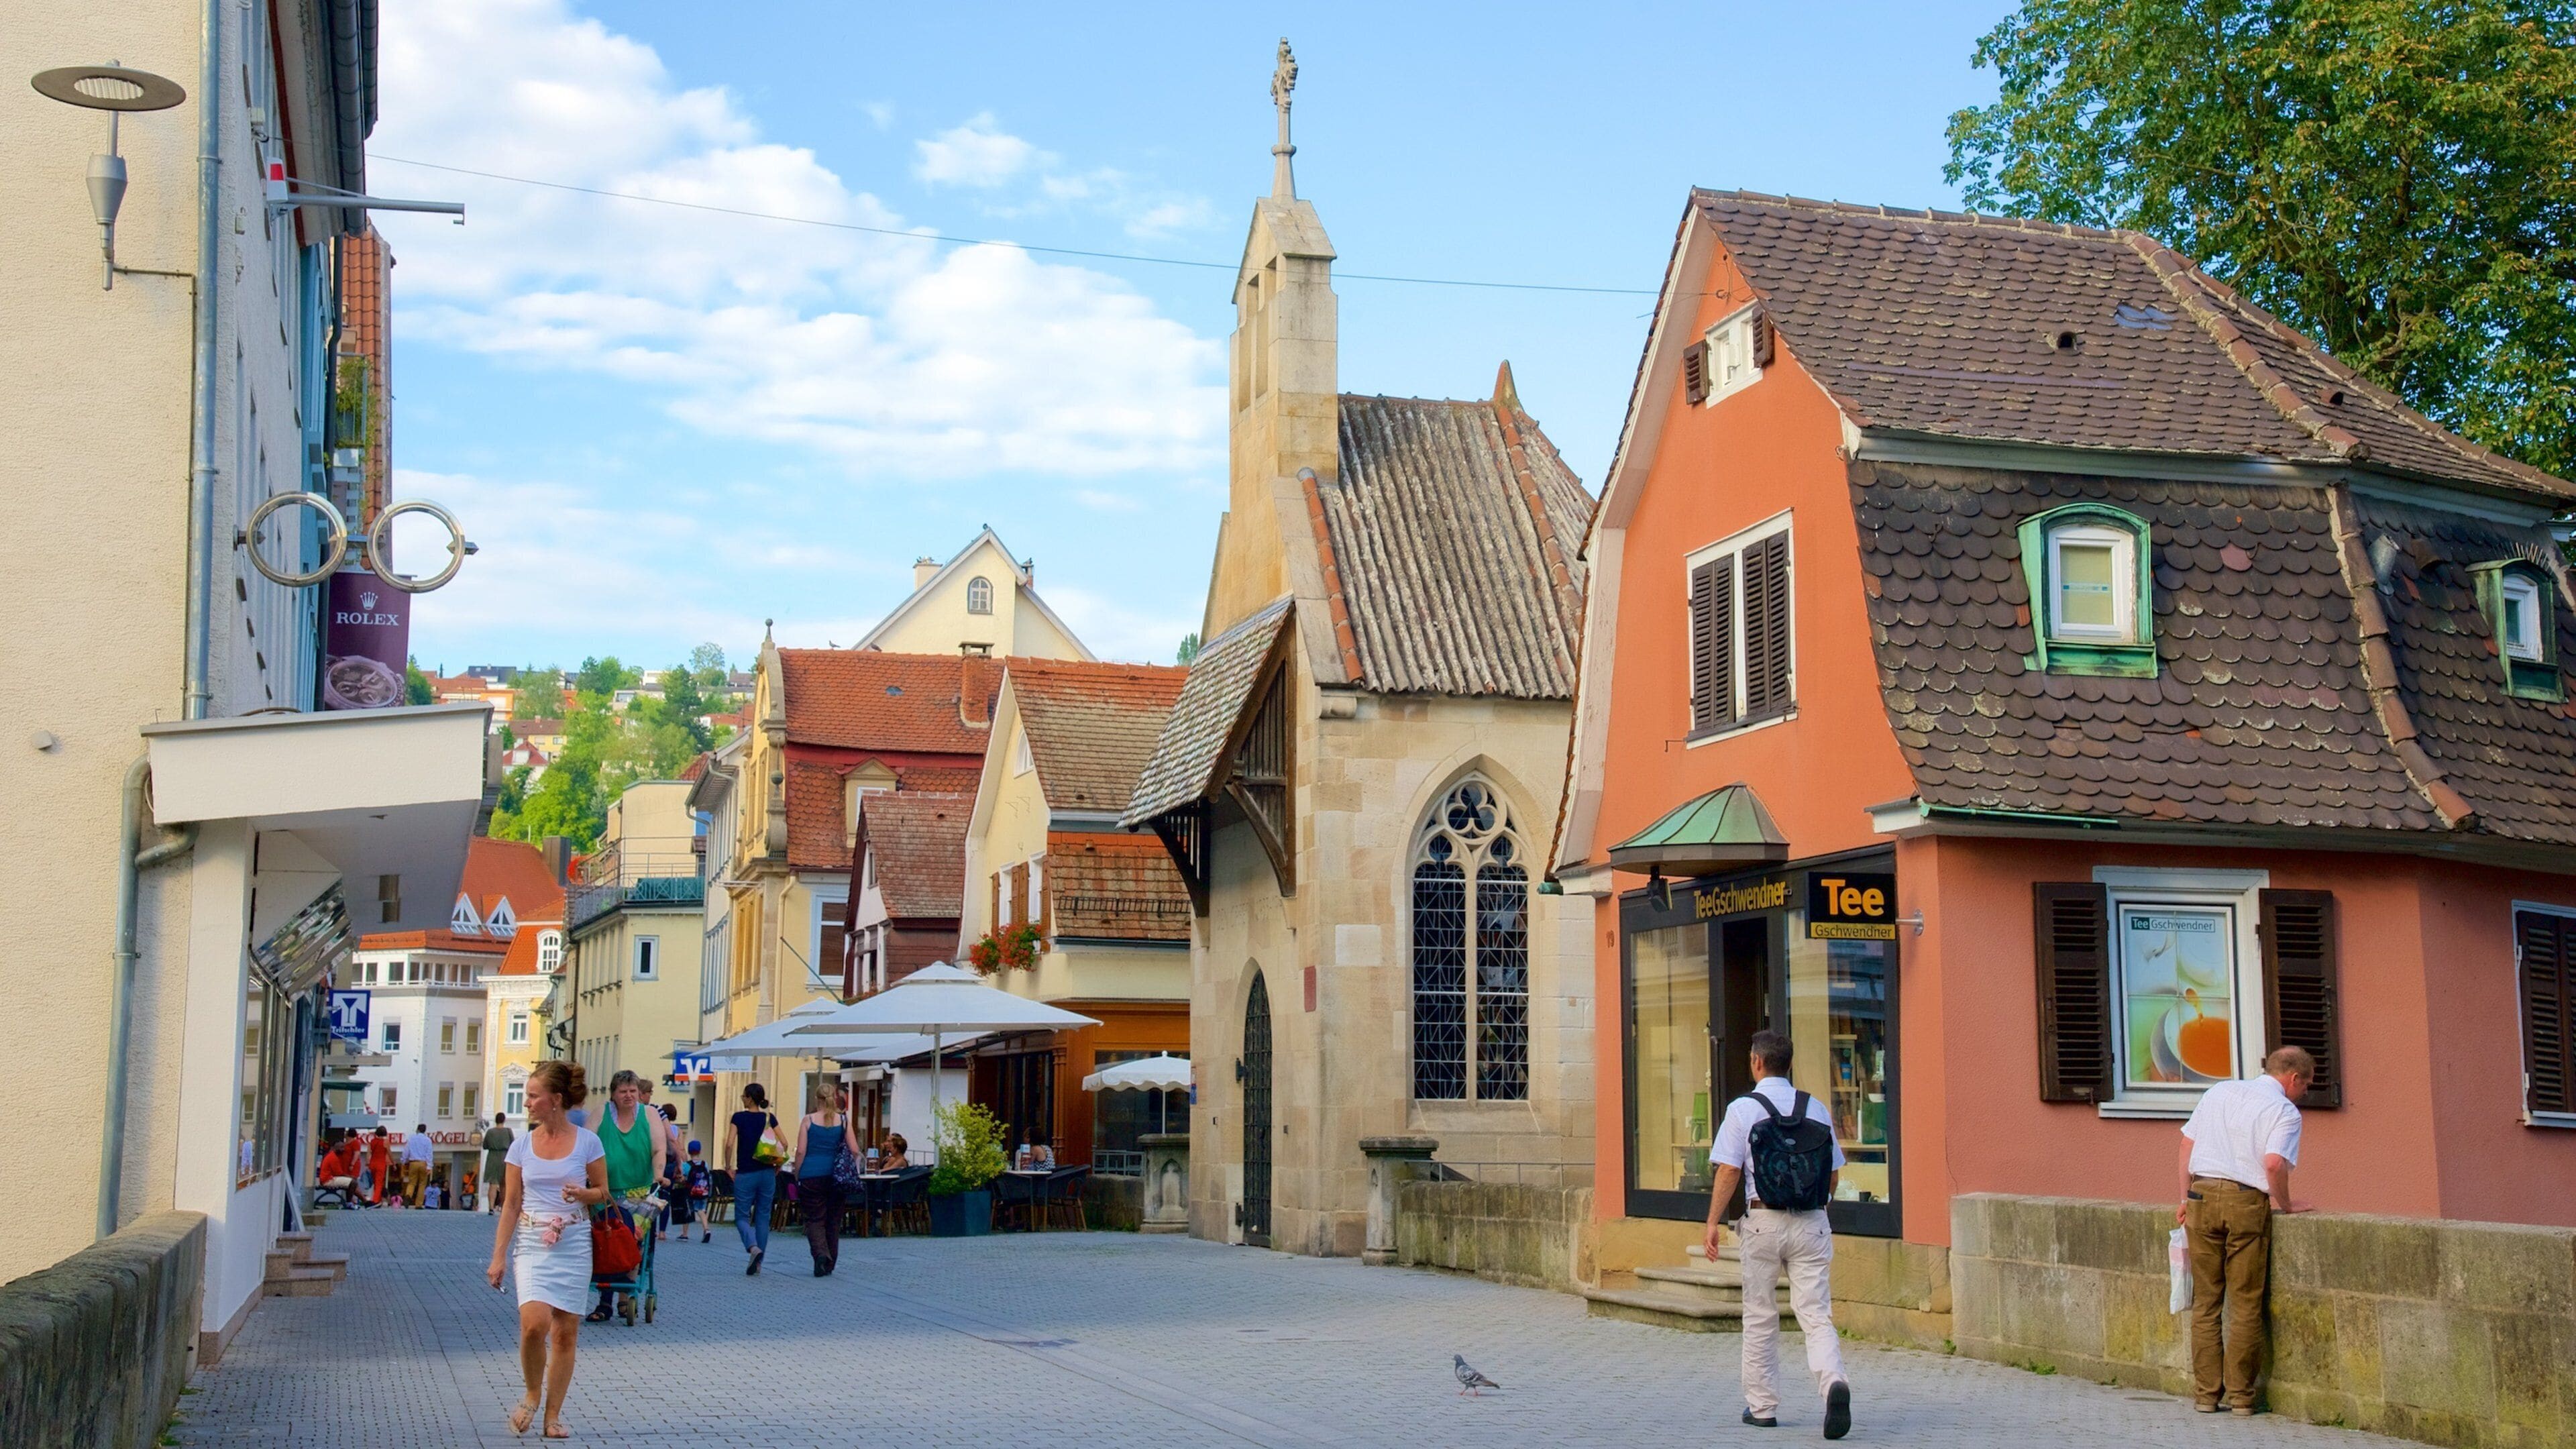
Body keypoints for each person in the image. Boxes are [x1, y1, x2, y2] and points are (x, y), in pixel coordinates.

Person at [1705, 1030, 1850, 1439]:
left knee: (1760, 1315)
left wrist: (1713, 1221)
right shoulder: (1817, 1108)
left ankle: (1763, 1407)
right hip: (1810, 1221)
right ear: (1789, 1064)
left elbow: (1729, 1170)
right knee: (1816, 1315)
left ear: (1756, 1062)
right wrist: (1817, 1209)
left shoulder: (1742, 1109)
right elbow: (1833, 1174)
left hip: (1762, 1222)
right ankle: (1833, 1383)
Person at [2178, 1045, 2315, 1415]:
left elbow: (2187, 1145)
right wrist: (2287, 1204)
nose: (2305, 1094)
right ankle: (2241, 1398)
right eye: (2307, 1086)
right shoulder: (2284, 1110)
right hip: (2245, 1201)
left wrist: (2183, 1199)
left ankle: (2206, 1396)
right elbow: (2272, 1164)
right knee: (2245, 1303)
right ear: (2294, 1078)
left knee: (2206, 1303)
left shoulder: (2218, 1091)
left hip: (2201, 1195)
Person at [486, 1060, 607, 1441]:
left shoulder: (588, 1141)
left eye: (533, 1096)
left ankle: (552, 1416)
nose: (527, 1103)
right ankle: (532, 1393)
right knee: (533, 1326)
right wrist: (498, 1256)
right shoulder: (521, 1146)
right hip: (532, 1242)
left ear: (555, 1100)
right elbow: (511, 1203)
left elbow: (604, 1192)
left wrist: (582, 1193)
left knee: (566, 1333)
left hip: (573, 1241)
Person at [588, 1070, 666, 1323]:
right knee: (606, 1241)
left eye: (633, 1091)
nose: (629, 1096)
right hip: (605, 1191)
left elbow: (658, 1148)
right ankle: (605, 1301)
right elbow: (585, 1144)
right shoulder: (601, 1114)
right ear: (613, 1094)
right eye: (623, 1091)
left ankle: (625, 1297)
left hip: (639, 1192)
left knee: (632, 1241)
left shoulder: (649, 1114)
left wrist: (659, 1174)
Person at [792, 1085, 863, 1277]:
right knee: (833, 1221)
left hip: (811, 1176)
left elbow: (800, 1152)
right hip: (837, 1177)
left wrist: (797, 1173)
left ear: (817, 1099)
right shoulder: (843, 1121)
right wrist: (852, 1169)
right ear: (834, 1098)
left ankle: (821, 1255)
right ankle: (830, 1264)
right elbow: (855, 1150)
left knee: (814, 1220)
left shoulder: (808, 1121)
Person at [729, 1083, 790, 1273]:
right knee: (763, 1216)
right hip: (767, 1173)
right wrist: (778, 1163)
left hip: (746, 1173)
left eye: (743, 1096)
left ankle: (752, 1247)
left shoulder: (738, 1118)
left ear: (748, 1098)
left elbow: (729, 1143)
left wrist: (727, 1165)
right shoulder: (768, 1117)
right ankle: (759, 1263)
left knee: (741, 1217)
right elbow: (785, 1143)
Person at [680, 1141, 713, 1244]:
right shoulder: (705, 1164)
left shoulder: (686, 1165)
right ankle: (707, 1229)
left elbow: (682, 1178)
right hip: (703, 1192)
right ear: (700, 1151)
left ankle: (685, 1234)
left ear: (689, 1152)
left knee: (687, 1211)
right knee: (701, 1211)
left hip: (691, 1192)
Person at [482, 1113, 515, 1215]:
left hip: (492, 1158)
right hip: (505, 1157)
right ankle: (504, 1207)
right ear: (504, 1120)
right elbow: (513, 1145)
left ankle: (491, 1207)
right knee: (504, 1185)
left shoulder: (490, 1132)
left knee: (493, 1184)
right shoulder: (508, 1131)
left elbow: (485, 1146)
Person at [317, 1134, 361, 1200]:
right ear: (336, 1147)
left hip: (327, 1179)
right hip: (328, 1180)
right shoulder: (333, 1157)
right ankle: (349, 1202)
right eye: (341, 1147)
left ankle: (365, 1201)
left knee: (351, 1182)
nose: (343, 1150)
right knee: (353, 1182)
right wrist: (350, 1176)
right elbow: (339, 1173)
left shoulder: (331, 1155)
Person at [402, 1124, 435, 1207]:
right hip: (423, 1163)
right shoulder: (428, 1140)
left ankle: (408, 1195)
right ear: (425, 1130)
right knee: (422, 1184)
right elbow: (429, 1154)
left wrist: (404, 1160)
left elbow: (406, 1151)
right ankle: (419, 1204)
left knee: (412, 1183)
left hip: (413, 1163)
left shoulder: (411, 1139)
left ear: (418, 1130)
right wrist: (429, 1166)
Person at [366, 1126, 392, 1206]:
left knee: (375, 1183)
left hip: (373, 1164)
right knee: (379, 1183)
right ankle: (375, 1201)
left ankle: (378, 1200)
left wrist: (368, 1163)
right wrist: (393, 1163)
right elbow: (390, 1153)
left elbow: (368, 1153)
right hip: (381, 1164)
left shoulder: (372, 1142)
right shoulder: (386, 1142)